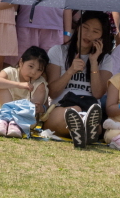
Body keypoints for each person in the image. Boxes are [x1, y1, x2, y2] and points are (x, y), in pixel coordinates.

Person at [42, 12, 111, 146]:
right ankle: (83, 128)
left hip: (89, 108)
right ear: (78, 27)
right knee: (74, 112)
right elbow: (52, 92)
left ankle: (83, 127)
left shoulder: (106, 59)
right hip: (61, 106)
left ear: (102, 36)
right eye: (85, 28)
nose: (88, 34)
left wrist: (94, 62)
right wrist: (70, 71)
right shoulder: (58, 51)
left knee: (94, 124)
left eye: (95, 31)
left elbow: (98, 93)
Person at [0, 47, 50, 137]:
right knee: (3, 84)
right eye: (31, 66)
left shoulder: (40, 83)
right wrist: (19, 85)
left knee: (40, 88)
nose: (33, 72)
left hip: (24, 121)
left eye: (39, 70)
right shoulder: (10, 72)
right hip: (2, 118)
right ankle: (5, 121)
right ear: (21, 62)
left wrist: (41, 108)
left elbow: (45, 107)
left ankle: (15, 124)